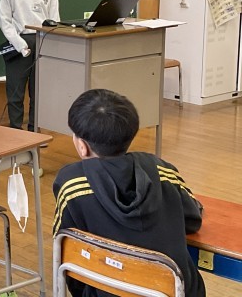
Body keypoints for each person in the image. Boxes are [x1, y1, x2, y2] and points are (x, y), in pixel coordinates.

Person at [53, 89, 206, 297]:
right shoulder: (162, 170)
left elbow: (66, 249)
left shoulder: (70, 184)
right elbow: (193, 220)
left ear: (82, 146)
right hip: (176, 291)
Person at [0, 0, 59, 131]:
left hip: (42, 43)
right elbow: (5, 21)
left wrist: (50, 44)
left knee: (38, 91)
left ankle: (35, 129)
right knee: (15, 92)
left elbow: (54, 21)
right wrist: (19, 44)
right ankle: (16, 131)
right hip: (19, 43)